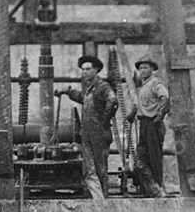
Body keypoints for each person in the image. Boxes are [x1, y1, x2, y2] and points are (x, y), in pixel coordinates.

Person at [56, 56, 118, 199]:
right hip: (87, 135)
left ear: (96, 69)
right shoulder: (90, 88)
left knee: (100, 170)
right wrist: (67, 91)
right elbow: (81, 97)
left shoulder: (103, 87)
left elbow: (113, 101)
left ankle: (103, 207)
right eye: (83, 69)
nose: (85, 72)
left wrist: (104, 121)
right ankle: (98, 202)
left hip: (99, 134)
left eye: (88, 69)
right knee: (89, 170)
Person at [126, 55, 169, 197]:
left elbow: (165, 97)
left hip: (153, 125)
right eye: (141, 68)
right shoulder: (143, 86)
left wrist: (161, 114)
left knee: (154, 160)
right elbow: (139, 105)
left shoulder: (155, 83)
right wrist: (132, 115)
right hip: (144, 125)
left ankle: (158, 192)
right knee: (140, 162)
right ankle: (153, 190)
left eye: (146, 67)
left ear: (152, 69)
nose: (143, 70)